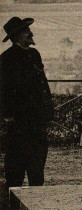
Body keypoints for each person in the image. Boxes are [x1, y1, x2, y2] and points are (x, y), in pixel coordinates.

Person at [0, 16, 54, 187]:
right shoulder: (7, 58)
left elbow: (43, 83)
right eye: (26, 31)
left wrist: (48, 108)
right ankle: (12, 198)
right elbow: (2, 89)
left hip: (37, 117)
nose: (31, 33)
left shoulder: (34, 54)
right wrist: (7, 114)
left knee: (37, 163)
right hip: (18, 119)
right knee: (16, 163)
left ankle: (36, 195)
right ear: (17, 36)